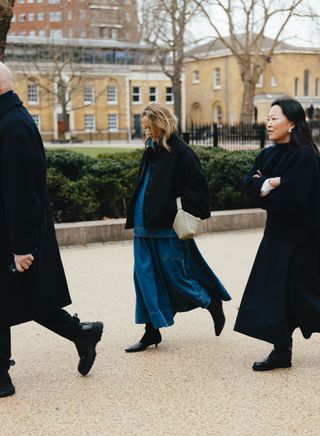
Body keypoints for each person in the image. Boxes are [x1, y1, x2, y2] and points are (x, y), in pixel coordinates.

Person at [0, 62, 103, 398]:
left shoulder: (13, 125)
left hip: (14, 233)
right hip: (9, 230)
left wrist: (23, 246)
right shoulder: (8, 120)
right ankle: (80, 333)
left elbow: (24, 192)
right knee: (25, 297)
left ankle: (2, 376)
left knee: (22, 296)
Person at [124, 103, 231, 352]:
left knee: (177, 276)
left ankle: (211, 302)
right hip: (143, 226)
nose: (147, 132)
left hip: (166, 227)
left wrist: (173, 206)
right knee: (144, 280)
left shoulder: (181, 151)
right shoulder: (150, 150)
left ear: (161, 124)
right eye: (145, 128)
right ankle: (151, 332)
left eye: (150, 127)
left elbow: (197, 188)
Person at [234, 97, 320, 371]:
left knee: (303, 297)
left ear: (292, 123)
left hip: (302, 239)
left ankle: (282, 351)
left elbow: (293, 201)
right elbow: (248, 185)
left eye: (275, 118)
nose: (268, 123)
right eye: (268, 118)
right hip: (275, 236)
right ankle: (282, 352)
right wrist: (271, 183)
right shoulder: (267, 155)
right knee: (273, 296)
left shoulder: (304, 156)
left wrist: (263, 189)